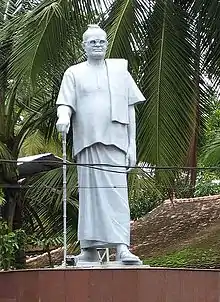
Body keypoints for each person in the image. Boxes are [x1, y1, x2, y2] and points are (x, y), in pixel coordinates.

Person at [56, 24, 145, 264]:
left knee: (117, 194)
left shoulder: (119, 71)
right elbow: (65, 103)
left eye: (101, 41)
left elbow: (131, 109)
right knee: (89, 197)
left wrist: (132, 145)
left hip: (115, 142)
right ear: (83, 46)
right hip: (87, 143)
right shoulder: (73, 73)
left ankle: (122, 247)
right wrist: (63, 117)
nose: (97, 45)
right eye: (92, 42)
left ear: (107, 44)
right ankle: (89, 249)